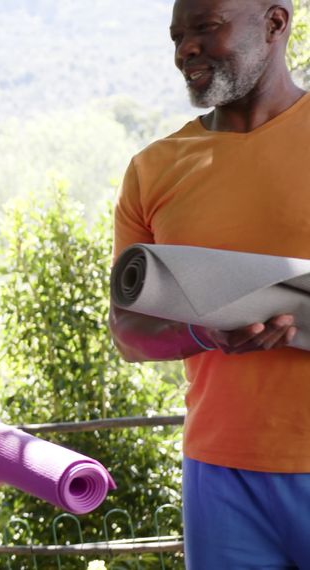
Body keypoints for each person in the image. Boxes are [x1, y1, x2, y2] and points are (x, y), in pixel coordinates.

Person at [109, 0, 310, 566]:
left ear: (275, 23)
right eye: (176, 36)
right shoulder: (152, 169)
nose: (185, 50)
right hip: (220, 474)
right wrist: (205, 334)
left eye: (205, 28)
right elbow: (127, 332)